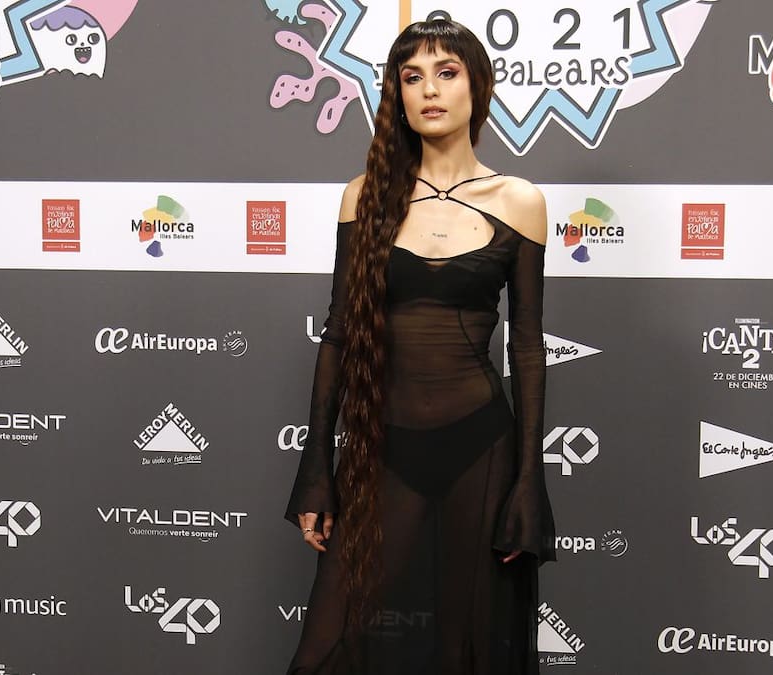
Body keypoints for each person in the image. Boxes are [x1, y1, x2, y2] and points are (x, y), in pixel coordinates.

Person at [284, 18, 556, 674]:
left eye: (446, 72)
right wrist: (317, 468)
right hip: (384, 447)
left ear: (477, 86)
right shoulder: (365, 197)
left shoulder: (519, 200)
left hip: (481, 449)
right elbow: (339, 335)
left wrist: (529, 481)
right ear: (398, 96)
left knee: (475, 646)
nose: (429, 89)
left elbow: (527, 348)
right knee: (328, 644)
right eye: (413, 77)